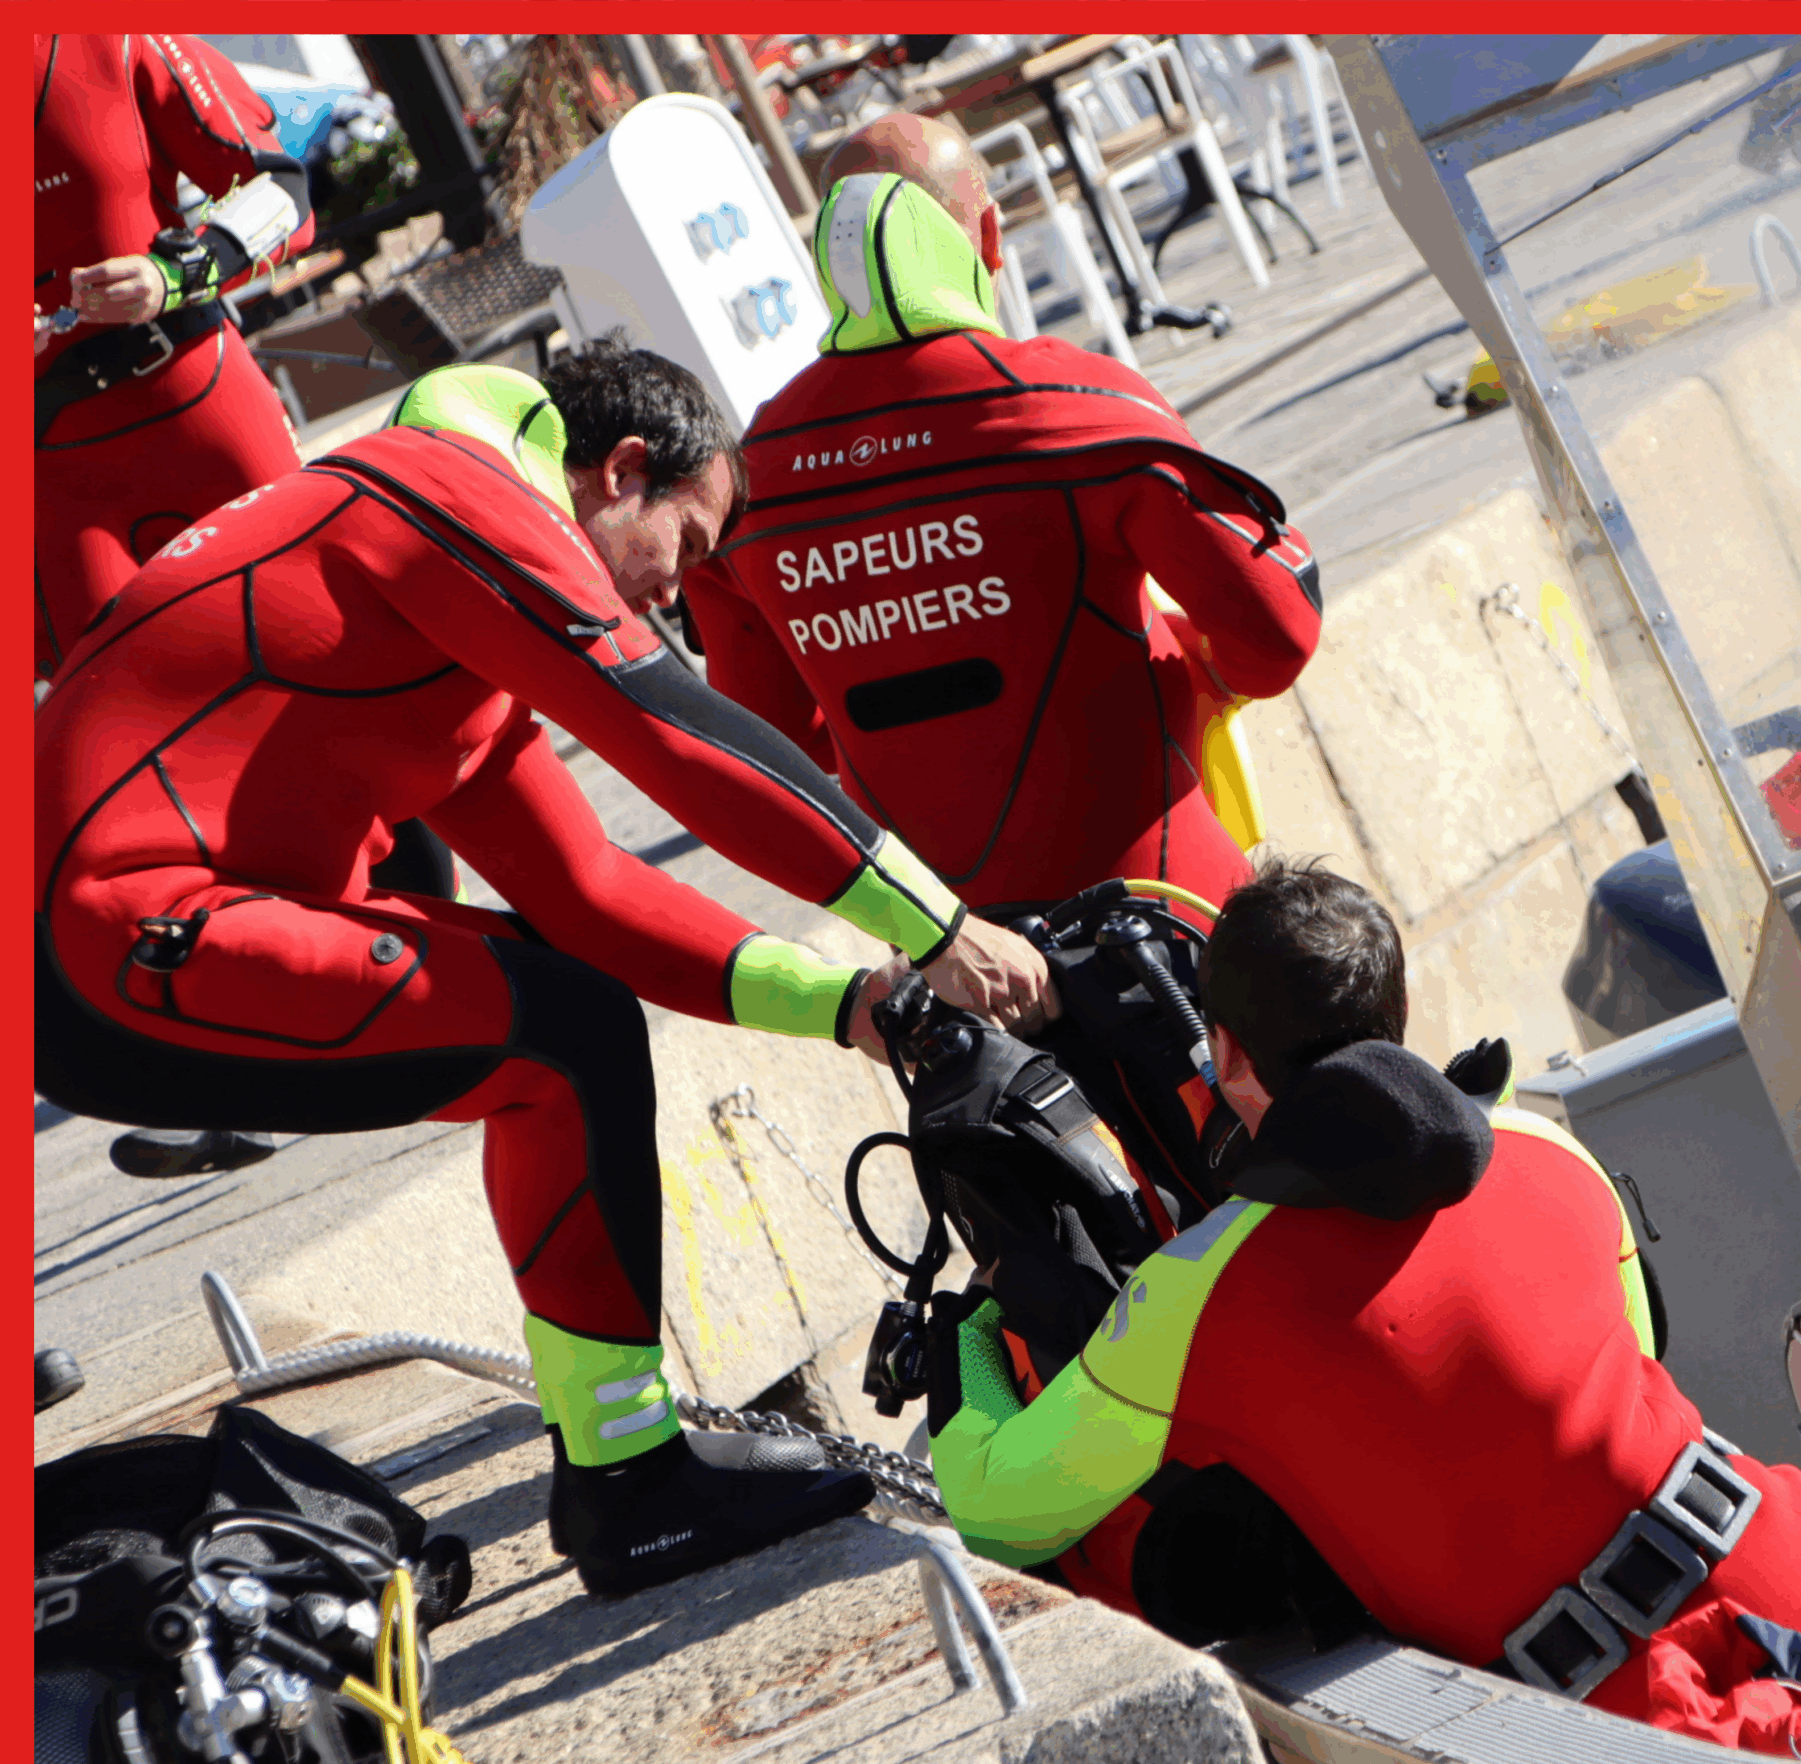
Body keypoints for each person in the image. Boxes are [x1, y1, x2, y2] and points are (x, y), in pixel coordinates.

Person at [35, 342, 1055, 1597]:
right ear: (621, 472)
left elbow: (595, 894)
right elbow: (676, 733)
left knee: (564, 1004)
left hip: (127, 930)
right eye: (682, 549)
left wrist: (851, 1005)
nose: (676, 600)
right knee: (559, 1040)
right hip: (109, 938)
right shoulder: (452, 496)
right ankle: (628, 1483)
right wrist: (940, 923)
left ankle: (618, 1458)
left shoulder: (450, 582)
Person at [923, 859, 1801, 1760]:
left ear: (1230, 1053)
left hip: (1643, 1720)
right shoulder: (1546, 1147)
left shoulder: (1194, 1298)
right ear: (1392, 1013)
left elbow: (997, 1507)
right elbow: (1632, 1345)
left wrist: (970, 1338)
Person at [681, 113, 1324, 924]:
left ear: (831, 261)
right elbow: (1278, 632)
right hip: (1167, 908)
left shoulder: (752, 475)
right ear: (988, 237)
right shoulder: (1072, 407)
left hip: (958, 956)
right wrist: (1191, 672)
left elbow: (776, 741)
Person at [34, 32, 315, 686]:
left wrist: (176, 274)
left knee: (335, 648)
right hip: (53, 473)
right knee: (126, 725)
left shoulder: (111, 37)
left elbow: (282, 188)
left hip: (200, 409)